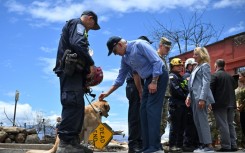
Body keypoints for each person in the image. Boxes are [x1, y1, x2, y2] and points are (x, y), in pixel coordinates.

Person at [99, 36, 168, 153]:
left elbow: (157, 61)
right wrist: (107, 93)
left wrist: (154, 81)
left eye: (115, 51)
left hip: (159, 76)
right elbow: (120, 79)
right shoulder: (125, 58)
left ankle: (155, 147)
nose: (116, 54)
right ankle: (147, 147)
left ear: (119, 45)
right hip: (147, 80)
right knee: (143, 111)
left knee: (152, 110)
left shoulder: (139, 45)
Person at [53, 10, 100, 153]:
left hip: (76, 75)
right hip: (70, 72)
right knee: (72, 103)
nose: (90, 29)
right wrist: (91, 63)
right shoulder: (77, 24)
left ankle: (73, 142)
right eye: (91, 25)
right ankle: (66, 144)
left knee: (78, 106)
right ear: (90, 19)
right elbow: (77, 43)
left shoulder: (78, 27)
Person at [124, 36, 153, 153]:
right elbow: (136, 74)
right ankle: (133, 144)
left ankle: (140, 143)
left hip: (139, 85)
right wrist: (140, 91)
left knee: (141, 116)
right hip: (134, 85)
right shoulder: (135, 55)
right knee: (135, 116)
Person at [185, 47, 215, 152]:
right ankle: (203, 144)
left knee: (202, 121)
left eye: (196, 54)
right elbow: (192, 84)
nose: (194, 56)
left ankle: (209, 145)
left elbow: (206, 83)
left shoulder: (205, 66)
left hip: (200, 98)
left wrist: (202, 98)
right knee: (197, 121)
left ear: (202, 55)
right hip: (194, 98)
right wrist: (189, 96)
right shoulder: (197, 66)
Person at [210, 59, 238, 152]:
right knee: (230, 124)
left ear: (216, 65)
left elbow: (210, 89)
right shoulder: (230, 76)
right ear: (224, 66)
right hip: (231, 103)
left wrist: (209, 102)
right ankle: (233, 145)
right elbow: (235, 86)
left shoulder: (215, 75)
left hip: (220, 104)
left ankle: (226, 146)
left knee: (223, 125)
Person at [168, 58, 189, 152]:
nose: (180, 67)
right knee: (175, 127)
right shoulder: (172, 76)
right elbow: (175, 90)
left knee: (182, 127)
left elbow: (186, 88)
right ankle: (172, 145)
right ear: (172, 67)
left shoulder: (180, 77)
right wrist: (186, 96)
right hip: (176, 105)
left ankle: (180, 145)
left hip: (183, 105)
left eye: (181, 66)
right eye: (177, 66)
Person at [182, 58, 199, 151]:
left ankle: (194, 143)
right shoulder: (187, 76)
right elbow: (188, 90)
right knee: (189, 125)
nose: (195, 67)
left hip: (193, 104)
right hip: (189, 105)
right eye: (193, 65)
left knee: (194, 124)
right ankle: (187, 144)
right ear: (189, 66)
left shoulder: (192, 76)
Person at [157, 37, 172, 138]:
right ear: (160, 46)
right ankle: (154, 141)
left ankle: (158, 139)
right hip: (159, 94)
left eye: (169, 48)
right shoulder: (155, 58)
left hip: (166, 94)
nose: (168, 50)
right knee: (157, 119)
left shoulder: (164, 60)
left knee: (164, 120)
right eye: (166, 48)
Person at [236, 70, 245, 150]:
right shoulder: (240, 87)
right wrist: (238, 105)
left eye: (240, 76)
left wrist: (242, 105)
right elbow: (238, 98)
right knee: (243, 126)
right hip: (242, 111)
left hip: (243, 108)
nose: (239, 78)